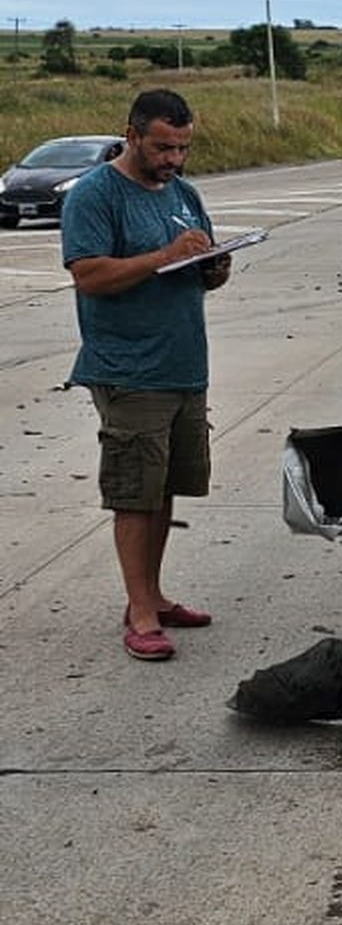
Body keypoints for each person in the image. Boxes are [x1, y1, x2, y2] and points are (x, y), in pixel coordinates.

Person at [61, 88, 232, 661]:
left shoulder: (184, 192)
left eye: (182, 147)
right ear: (131, 136)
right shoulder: (95, 195)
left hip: (185, 365)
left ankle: (155, 597)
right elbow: (88, 276)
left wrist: (214, 267)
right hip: (128, 369)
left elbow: (200, 270)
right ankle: (138, 613)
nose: (174, 159)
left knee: (163, 490)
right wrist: (163, 255)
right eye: (162, 147)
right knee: (135, 493)